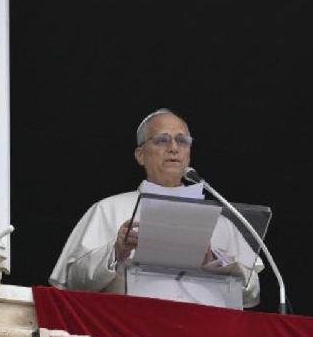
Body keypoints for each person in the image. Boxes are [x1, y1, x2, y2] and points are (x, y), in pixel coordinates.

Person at [49, 108, 263, 308]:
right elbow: (73, 282)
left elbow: (252, 293)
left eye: (182, 141)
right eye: (162, 140)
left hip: (204, 331)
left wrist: (215, 260)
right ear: (140, 155)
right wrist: (116, 251)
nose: (174, 148)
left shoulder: (221, 222)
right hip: (132, 327)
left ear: (189, 153)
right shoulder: (109, 209)